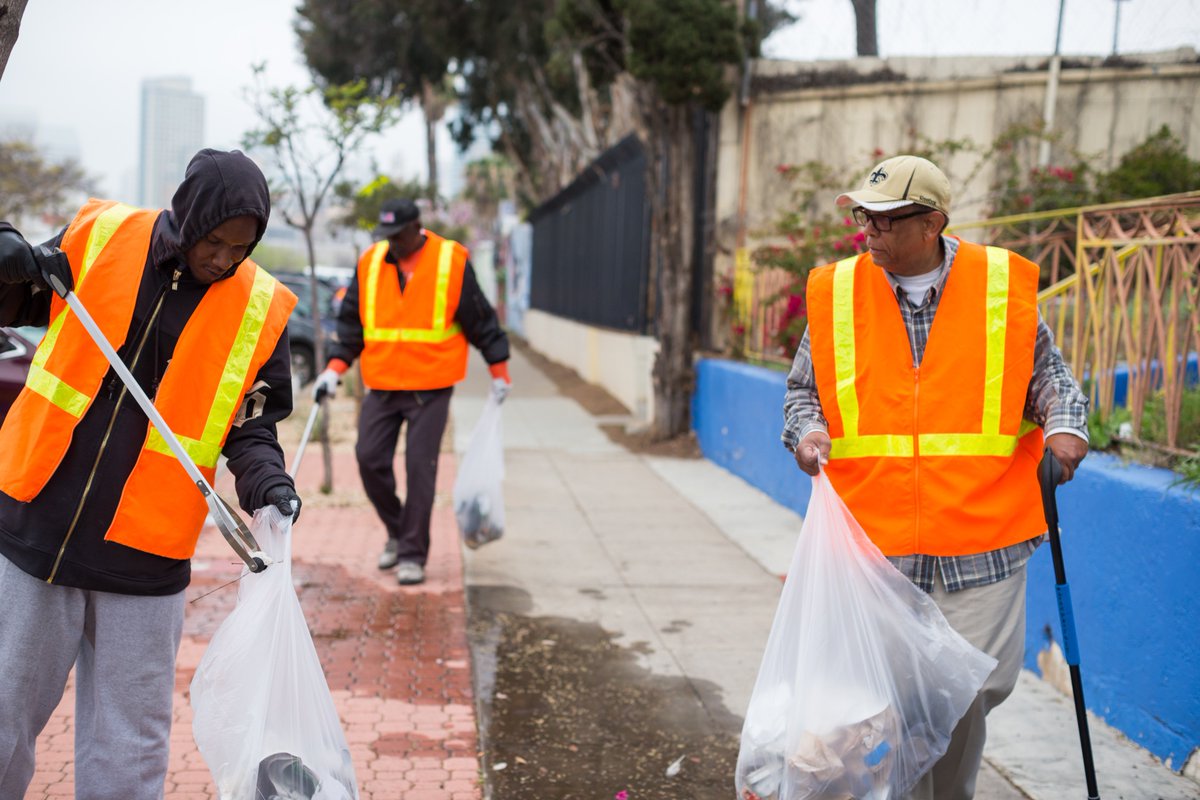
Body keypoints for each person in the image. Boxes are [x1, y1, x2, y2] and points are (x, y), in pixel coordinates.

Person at [782, 154, 1089, 800]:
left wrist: (1065, 428)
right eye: (866, 216)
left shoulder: (999, 288)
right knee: (892, 704)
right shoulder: (838, 293)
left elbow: (1051, 379)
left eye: (887, 221)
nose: (870, 231)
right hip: (876, 544)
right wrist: (807, 436)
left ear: (933, 224)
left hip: (985, 540)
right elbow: (802, 393)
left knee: (970, 692)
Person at [0, 148, 303, 800]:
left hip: (145, 555)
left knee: (129, 748)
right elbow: (14, 297)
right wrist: (6, 252)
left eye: (241, 247)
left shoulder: (260, 309)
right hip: (37, 530)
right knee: (3, 721)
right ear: (187, 215)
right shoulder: (101, 236)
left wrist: (269, 486)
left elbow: (250, 427)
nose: (222, 258)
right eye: (214, 240)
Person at [312, 198, 510, 586]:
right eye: (386, 236)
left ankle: (412, 554)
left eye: (398, 235)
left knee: (421, 470)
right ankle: (398, 530)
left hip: (430, 388)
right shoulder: (371, 263)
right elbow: (352, 325)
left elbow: (480, 319)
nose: (392, 243)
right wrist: (334, 370)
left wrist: (499, 370)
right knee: (369, 459)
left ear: (416, 227)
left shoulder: (450, 260)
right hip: (382, 385)